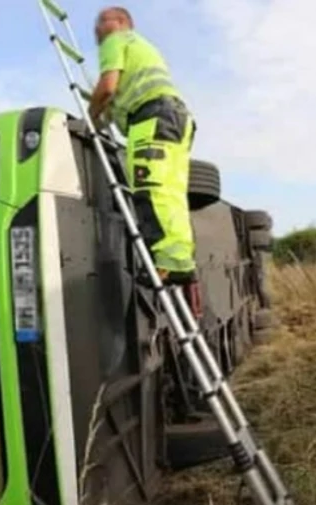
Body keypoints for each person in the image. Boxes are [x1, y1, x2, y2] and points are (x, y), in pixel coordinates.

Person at [87, 6, 202, 315]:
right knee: (172, 194)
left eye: (102, 22)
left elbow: (108, 87)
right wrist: (107, 109)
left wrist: (92, 114)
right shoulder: (143, 49)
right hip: (176, 119)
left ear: (122, 22)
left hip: (151, 119)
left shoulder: (117, 40)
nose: (97, 29)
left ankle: (165, 265)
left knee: (150, 191)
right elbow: (119, 95)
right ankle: (179, 261)